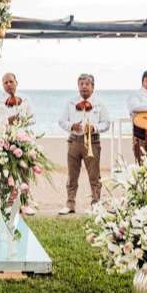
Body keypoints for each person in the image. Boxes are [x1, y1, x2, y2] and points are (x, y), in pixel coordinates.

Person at [57, 73, 110, 214]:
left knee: (94, 176)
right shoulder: (70, 103)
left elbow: (106, 123)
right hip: (74, 141)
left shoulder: (99, 104)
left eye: (87, 84)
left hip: (92, 142)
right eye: (81, 84)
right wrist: (71, 126)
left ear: (93, 87)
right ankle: (70, 204)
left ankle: (96, 205)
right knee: (72, 175)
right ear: (78, 86)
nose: (84, 87)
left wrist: (94, 127)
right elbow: (61, 121)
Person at [0, 72, 38, 215]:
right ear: (2, 85)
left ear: (16, 82)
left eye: (11, 82)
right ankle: (10, 204)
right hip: (7, 141)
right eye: (5, 83)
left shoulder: (25, 100)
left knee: (25, 172)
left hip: (24, 140)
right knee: (9, 174)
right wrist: (8, 121)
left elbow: (33, 119)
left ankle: (25, 202)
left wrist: (21, 120)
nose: (8, 85)